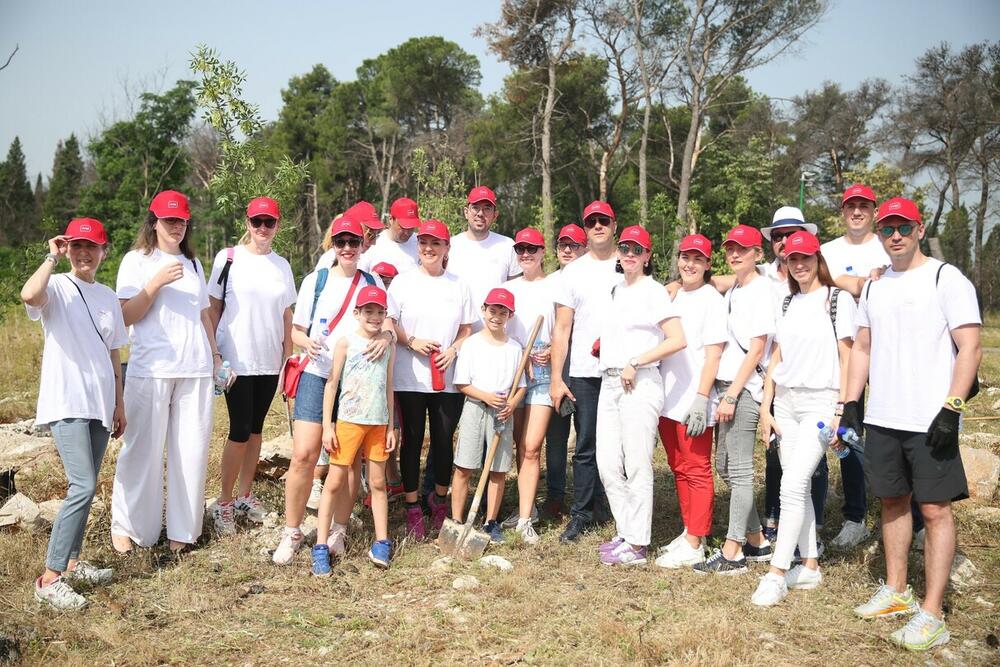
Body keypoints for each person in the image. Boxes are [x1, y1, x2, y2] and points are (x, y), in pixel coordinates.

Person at [844, 198, 981, 651]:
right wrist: (851, 402)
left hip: (930, 418)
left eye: (903, 227)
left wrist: (952, 407)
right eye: (887, 229)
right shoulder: (875, 287)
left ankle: (932, 612)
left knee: (936, 510)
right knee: (891, 501)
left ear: (919, 229)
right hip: (884, 415)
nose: (895, 235)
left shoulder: (947, 278)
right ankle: (897, 590)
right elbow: (862, 347)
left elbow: (971, 347)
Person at [22, 218, 126, 610]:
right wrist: (51, 257)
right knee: (81, 486)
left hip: (99, 404)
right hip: (67, 401)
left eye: (91, 247)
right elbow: (29, 296)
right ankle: (50, 578)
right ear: (68, 249)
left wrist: (118, 403)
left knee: (89, 483)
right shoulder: (58, 287)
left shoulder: (107, 296)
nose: (84, 253)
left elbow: (114, 351)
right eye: (76, 246)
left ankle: (73, 562)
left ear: (103, 251)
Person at [273, 216, 389, 565]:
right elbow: (295, 331)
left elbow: (390, 326)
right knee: (304, 454)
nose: (348, 249)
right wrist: (304, 342)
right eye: (341, 242)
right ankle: (292, 530)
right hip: (319, 373)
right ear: (332, 245)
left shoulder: (373, 281)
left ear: (363, 244)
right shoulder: (316, 280)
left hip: (356, 381)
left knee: (350, 459)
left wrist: (384, 336)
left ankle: (339, 527)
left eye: (354, 242)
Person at [751, 231, 857, 607]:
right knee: (797, 484)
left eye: (806, 258)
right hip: (786, 404)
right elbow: (775, 357)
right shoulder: (785, 302)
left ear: (817, 259)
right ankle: (809, 565)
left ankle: (777, 573)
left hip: (820, 404)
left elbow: (848, 357)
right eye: (792, 259)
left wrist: (842, 409)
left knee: (792, 485)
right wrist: (766, 408)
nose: (799, 265)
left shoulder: (837, 300)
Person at [112, 190, 220, 554]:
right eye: (168, 220)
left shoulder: (194, 263)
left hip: (196, 368)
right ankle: (129, 527)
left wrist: (215, 354)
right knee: (142, 449)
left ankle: (182, 532)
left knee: (190, 451)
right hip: (151, 367)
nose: (175, 226)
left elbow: (204, 314)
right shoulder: (136, 260)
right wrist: (155, 283)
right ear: (154, 222)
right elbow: (124, 316)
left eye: (181, 220)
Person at [206, 197, 296, 535]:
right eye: (256, 222)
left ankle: (246, 493)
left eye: (268, 222)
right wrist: (214, 353)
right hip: (236, 360)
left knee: (256, 428)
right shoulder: (228, 259)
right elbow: (212, 309)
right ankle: (224, 502)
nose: (262, 228)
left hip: (270, 361)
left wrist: (288, 357)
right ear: (247, 223)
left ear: (277, 225)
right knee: (239, 429)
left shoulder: (282, 265)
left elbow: (286, 314)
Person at [596, 226, 686, 566]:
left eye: (638, 249)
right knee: (607, 462)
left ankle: (637, 544)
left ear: (647, 256)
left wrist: (637, 360)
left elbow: (676, 338)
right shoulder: (615, 291)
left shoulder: (654, 291)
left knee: (636, 463)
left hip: (640, 381)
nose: (630, 254)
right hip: (609, 381)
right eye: (625, 248)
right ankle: (625, 530)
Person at [693, 224, 774, 574]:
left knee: (739, 470)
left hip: (742, 390)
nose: (735, 253)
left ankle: (733, 550)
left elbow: (757, 348)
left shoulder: (761, 291)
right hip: (727, 388)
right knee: (725, 466)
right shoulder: (737, 289)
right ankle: (757, 541)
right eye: (730, 249)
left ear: (758, 253)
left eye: (743, 248)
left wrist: (732, 394)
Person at [386, 219, 475, 540]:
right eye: (424, 242)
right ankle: (412, 506)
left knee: (442, 440)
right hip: (409, 377)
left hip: (448, 379)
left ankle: (438, 500)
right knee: (411, 441)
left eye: (435, 243)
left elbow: (467, 328)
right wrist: (411, 341)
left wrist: (453, 350)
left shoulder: (458, 285)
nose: (428, 248)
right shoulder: (402, 283)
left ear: (446, 248)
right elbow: (389, 323)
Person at [821, 184, 890, 550]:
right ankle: (855, 517)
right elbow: (825, 280)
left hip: (891, 354)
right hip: (849, 353)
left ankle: (913, 517)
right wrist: (860, 282)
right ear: (843, 211)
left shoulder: (890, 243)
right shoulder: (828, 251)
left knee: (895, 433)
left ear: (874, 210)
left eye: (864, 206)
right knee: (848, 433)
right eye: (851, 206)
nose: (857, 212)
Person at [312, 286, 397, 574]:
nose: (374, 317)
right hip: (348, 422)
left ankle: (382, 541)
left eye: (379, 312)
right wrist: (328, 425)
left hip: (378, 424)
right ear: (357, 313)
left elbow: (388, 385)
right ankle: (321, 545)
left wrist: (390, 427)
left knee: (377, 483)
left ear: (386, 315)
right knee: (334, 482)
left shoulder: (389, 345)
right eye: (368, 311)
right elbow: (332, 384)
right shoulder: (346, 343)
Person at [654, 234, 726, 570]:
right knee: (679, 468)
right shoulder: (671, 295)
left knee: (697, 470)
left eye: (698, 259)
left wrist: (702, 398)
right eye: (685, 257)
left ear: (708, 264)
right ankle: (688, 531)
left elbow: (713, 355)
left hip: (693, 400)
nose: (690, 264)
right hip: (667, 399)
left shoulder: (712, 300)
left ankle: (697, 541)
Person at [550, 201, 620, 543]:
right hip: (584, 371)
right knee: (586, 446)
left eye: (603, 220)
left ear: (614, 225)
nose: (597, 226)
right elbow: (562, 328)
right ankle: (581, 514)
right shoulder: (572, 272)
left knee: (620, 446)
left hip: (623, 371)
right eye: (591, 221)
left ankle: (614, 509)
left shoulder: (629, 264)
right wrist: (556, 378)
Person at [450, 288, 526, 543]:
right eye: (492, 310)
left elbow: (522, 384)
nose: (496, 316)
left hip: (502, 413)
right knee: (464, 466)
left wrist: (512, 404)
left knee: (498, 470)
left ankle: (491, 521)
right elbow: (462, 383)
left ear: (510, 315)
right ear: (484, 311)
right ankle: (457, 521)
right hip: (475, 407)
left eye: (502, 312)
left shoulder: (515, 348)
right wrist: (485, 396)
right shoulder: (471, 344)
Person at [497, 228, 557, 542]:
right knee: (519, 444)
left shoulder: (555, 285)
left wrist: (555, 349)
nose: (525, 254)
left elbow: (566, 328)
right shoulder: (508, 287)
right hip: (515, 370)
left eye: (532, 249)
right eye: (520, 249)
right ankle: (527, 507)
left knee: (532, 447)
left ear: (542, 251)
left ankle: (524, 523)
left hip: (543, 372)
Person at [542, 223, 587, 518]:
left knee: (587, 434)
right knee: (556, 434)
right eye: (562, 245)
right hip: (556, 363)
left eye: (573, 245)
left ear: (584, 249)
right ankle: (555, 496)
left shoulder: (595, 278)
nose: (567, 250)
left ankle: (590, 496)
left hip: (586, 364)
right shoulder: (550, 282)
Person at [446, 185, 520, 330]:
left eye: (487, 208)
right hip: (456, 334)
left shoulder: (507, 245)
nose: (480, 213)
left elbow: (516, 291)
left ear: (495, 215)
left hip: (495, 334)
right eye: (475, 207)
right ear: (466, 212)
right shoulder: (450, 245)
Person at [359, 198, 421, 274]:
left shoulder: (422, 243)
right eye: (403, 227)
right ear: (391, 219)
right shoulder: (373, 245)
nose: (407, 232)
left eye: (411, 227)